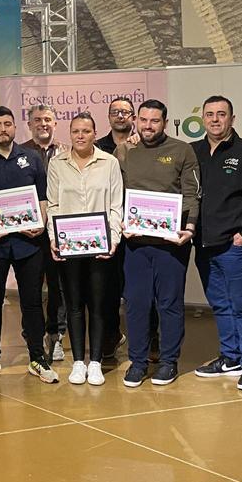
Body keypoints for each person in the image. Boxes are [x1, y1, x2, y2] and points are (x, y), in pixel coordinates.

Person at [0, 106, 57, 384]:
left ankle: (37, 358)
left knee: (31, 302)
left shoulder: (31, 158)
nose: (3, 128)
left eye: (7, 123)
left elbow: (43, 198)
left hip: (29, 244)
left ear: (16, 127)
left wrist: (39, 224)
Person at [115, 100, 200, 388]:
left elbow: (192, 193)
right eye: (144, 120)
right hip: (135, 242)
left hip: (171, 242)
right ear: (136, 120)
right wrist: (121, 223)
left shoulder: (182, 150)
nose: (148, 126)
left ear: (165, 122)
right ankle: (137, 362)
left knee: (169, 305)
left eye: (155, 121)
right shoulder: (127, 150)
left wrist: (189, 227)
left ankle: (168, 362)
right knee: (137, 304)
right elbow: (117, 192)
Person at [191, 96, 242, 392]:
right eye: (209, 114)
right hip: (203, 244)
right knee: (220, 305)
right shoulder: (192, 151)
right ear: (203, 119)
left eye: (222, 114)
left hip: (235, 245)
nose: (215, 119)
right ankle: (230, 357)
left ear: (232, 119)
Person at [46, 113, 123, 387]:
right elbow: (53, 205)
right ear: (70, 134)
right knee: (75, 305)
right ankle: (78, 361)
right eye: (76, 131)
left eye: (86, 131)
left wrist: (113, 239)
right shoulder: (57, 164)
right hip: (69, 246)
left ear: (94, 133)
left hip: (101, 245)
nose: (81, 135)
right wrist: (54, 238)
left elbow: (116, 205)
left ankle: (96, 362)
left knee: (99, 305)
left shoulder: (109, 162)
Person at [23, 104, 68, 364]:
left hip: (59, 232)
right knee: (31, 289)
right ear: (29, 124)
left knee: (57, 287)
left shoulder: (66, 152)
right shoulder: (21, 153)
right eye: (38, 119)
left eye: (48, 119)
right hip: (29, 233)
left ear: (55, 123)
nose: (43, 124)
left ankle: (56, 334)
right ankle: (34, 335)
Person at [96, 100, 135, 365]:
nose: (120, 116)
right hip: (106, 229)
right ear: (109, 117)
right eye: (115, 112)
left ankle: (148, 340)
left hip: (136, 229)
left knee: (138, 290)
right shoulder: (96, 148)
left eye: (125, 112)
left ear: (133, 116)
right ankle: (110, 338)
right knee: (107, 290)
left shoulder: (145, 144)